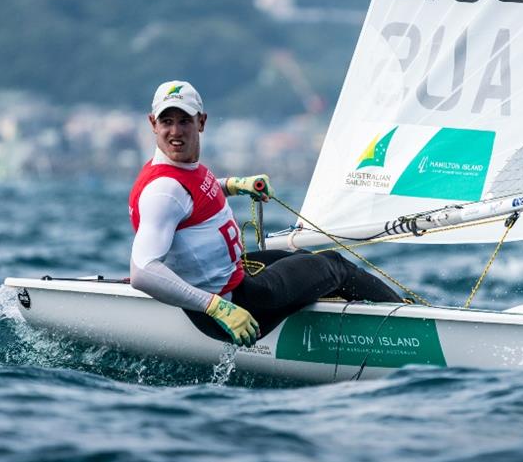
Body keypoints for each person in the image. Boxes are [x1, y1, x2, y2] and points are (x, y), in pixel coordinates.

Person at [129, 81, 403, 347]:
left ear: (201, 122)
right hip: (236, 306)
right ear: (153, 123)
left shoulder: (175, 170)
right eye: (167, 122)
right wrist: (217, 308)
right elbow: (143, 272)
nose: (175, 131)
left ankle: (354, 321)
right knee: (335, 264)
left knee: (305, 261)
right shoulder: (163, 192)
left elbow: (194, 198)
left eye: (184, 121)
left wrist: (235, 185)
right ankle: (408, 321)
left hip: (231, 279)